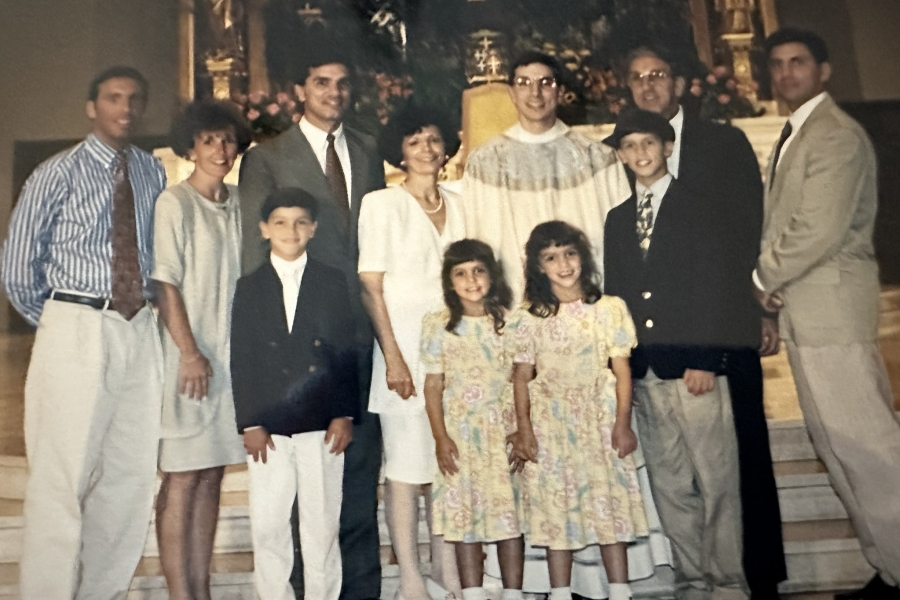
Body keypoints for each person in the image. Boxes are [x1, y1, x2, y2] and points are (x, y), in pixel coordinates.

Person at [622, 46, 786, 597]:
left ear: (681, 83)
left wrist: (757, 307)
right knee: (681, 472)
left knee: (737, 458)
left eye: (658, 74)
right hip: (655, 346)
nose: (648, 85)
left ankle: (750, 576)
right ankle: (697, 577)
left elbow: (746, 231)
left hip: (722, 325)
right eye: (637, 77)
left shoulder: (725, 141)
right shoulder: (625, 159)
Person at [0, 66, 166, 599]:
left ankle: (104, 592)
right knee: (61, 476)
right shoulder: (56, 172)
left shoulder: (151, 173)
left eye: (135, 99)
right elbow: (19, 268)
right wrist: (61, 319)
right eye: (114, 97)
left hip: (139, 328)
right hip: (75, 324)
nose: (125, 107)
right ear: (92, 107)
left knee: (129, 476)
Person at [238, 46, 385, 600]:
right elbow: (256, 264)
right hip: (299, 339)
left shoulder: (367, 150)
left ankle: (360, 591)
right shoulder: (268, 156)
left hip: (360, 331)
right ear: (301, 90)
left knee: (357, 467)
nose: (334, 93)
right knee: (298, 485)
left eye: (343, 83)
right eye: (322, 82)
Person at [758, 28, 900, 600]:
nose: (787, 73)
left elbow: (816, 228)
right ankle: (886, 566)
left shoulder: (835, 135)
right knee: (840, 449)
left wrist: (760, 279)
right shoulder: (798, 131)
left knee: (868, 448)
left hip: (833, 311)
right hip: (809, 312)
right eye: (777, 65)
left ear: (824, 70)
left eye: (798, 62)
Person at [603, 108, 747, 600]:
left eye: (649, 143)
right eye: (630, 146)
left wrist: (706, 357)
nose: (640, 153)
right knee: (670, 484)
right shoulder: (617, 219)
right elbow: (619, 299)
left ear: (667, 147)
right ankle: (690, 579)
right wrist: (624, 371)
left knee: (716, 480)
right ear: (620, 155)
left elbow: (717, 285)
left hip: (694, 368)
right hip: (647, 373)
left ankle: (727, 582)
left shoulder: (700, 205)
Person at [357, 104, 465, 600]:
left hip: (455, 355)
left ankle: (445, 564)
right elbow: (371, 286)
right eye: (414, 140)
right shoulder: (382, 203)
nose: (425, 148)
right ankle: (410, 576)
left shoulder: (461, 202)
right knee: (404, 468)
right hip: (403, 352)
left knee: (446, 463)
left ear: (447, 147)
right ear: (399, 150)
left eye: (433, 139)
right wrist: (394, 357)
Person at [230, 187, 359, 600]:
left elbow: (344, 350)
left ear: (314, 228)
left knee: (321, 524)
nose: (292, 230)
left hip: (321, 421)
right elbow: (243, 358)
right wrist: (250, 421)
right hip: (268, 424)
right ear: (264, 229)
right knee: (269, 523)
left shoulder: (332, 281)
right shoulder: (249, 287)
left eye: (301, 221)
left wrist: (343, 413)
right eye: (281, 222)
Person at [509, 220, 648, 600]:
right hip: (551, 422)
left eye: (569, 254)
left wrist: (623, 424)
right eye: (551, 257)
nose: (564, 264)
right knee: (558, 506)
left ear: (582, 258)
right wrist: (524, 430)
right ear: (539, 266)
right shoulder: (528, 317)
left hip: (599, 419)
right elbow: (521, 378)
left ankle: (620, 590)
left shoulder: (609, 308)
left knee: (609, 502)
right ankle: (560, 592)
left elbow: (622, 371)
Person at [152, 99, 251, 600]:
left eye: (228, 139)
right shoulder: (175, 202)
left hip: (229, 362)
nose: (220, 148)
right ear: (190, 146)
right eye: (209, 139)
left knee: (212, 475)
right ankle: (179, 593)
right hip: (189, 358)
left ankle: (202, 588)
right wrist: (189, 353)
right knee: (182, 480)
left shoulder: (238, 202)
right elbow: (165, 284)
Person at [461, 51, 630, 301]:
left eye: (546, 83)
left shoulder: (597, 157)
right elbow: (476, 240)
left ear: (560, 91)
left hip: (588, 304)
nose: (535, 93)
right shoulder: (485, 161)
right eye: (524, 83)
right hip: (517, 308)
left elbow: (622, 238)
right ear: (512, 93)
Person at [420, 239, 525, 600]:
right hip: (460, 433)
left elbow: (521, 382)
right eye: (461, 274)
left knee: (508, 516)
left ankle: (513, 592)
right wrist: (440, 438)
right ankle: (473, 593)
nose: (471, 280)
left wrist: (520, 429)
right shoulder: (439, 325)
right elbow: (433, 386)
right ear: (450, 282)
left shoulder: (511, 323)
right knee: (465, 519)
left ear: (492, 276)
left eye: (479, 271)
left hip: (503, 431)